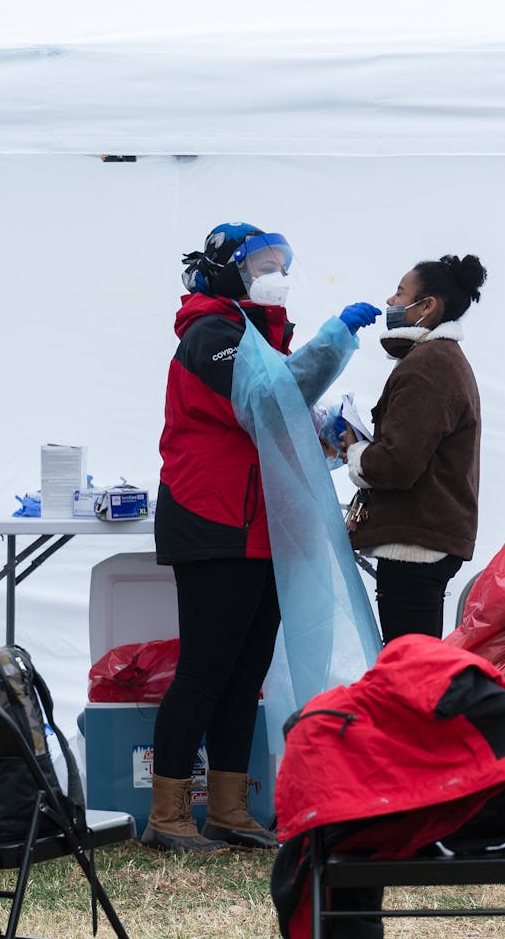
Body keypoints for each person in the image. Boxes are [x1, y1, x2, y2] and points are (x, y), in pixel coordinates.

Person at [150, 223, 381, 852]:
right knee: (204, 669)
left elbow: (281, 418)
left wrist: (329, 433)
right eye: (261, 265)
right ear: (228, 270)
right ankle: (167, 812)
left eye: (281, 263)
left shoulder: (259, 337)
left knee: (245, 671)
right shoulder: (212, 334)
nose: (274, 274)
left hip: (261, 528)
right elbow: (269, 400)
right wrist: (338, 337)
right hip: (213, 521)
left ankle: (229, 808)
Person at [339, 255, 486, 646]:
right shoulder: (439, 361)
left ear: (427, 306)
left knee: (410, 671)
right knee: (415, 666)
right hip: (425, 539)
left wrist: (357, 453)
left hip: (416, 546)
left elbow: (397, 463)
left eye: (400, 292)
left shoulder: (428, 366)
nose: (390, 300)